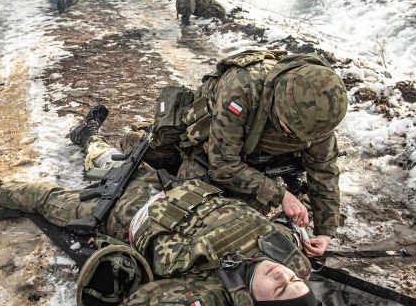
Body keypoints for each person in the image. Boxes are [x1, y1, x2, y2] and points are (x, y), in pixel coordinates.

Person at [0, 133, 320, 306]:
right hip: (167, 184)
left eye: (281, 289)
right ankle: (86, 136)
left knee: (46, 199)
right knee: (106, 158)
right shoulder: (289, 257)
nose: (283, 275)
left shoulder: (208, 295)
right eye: (294, 279)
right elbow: (295, 260)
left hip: (122, 211)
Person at [91, 50, 348, 257]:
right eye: (286, 130)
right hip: (204, 150)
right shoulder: (243, 87)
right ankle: (97, 141)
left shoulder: (318, 113)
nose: (292, 139)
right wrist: (280, 195)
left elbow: (324, 171)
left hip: (250, 160)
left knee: (236, 222)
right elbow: (223, 166)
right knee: (179, 203)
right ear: (276, 102)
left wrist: (325, 231)